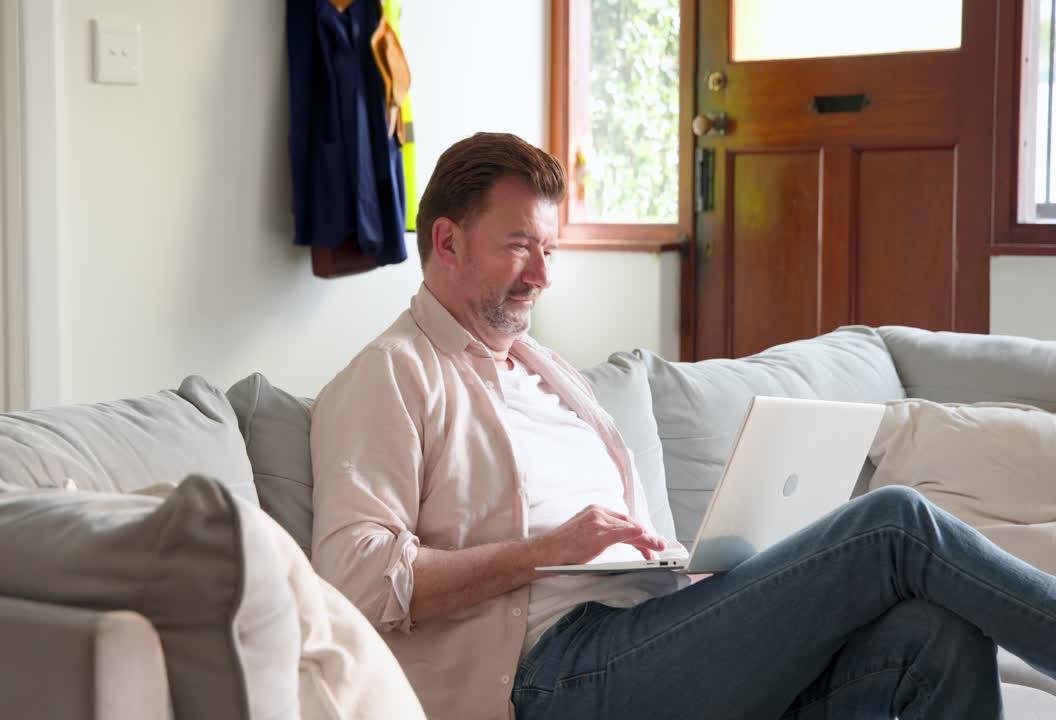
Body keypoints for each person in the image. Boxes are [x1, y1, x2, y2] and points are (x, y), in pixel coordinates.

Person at [309, 132, 1056, 720]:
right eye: (518, 246)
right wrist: (545, 552)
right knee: (894, 523)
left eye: (549, 248)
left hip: (656, 633)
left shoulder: (548, 374)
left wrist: (694, 565)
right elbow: (356, 579)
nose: (542, 273)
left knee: (939, 638)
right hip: (551, 677)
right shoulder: (392, 375)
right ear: (446, 242)